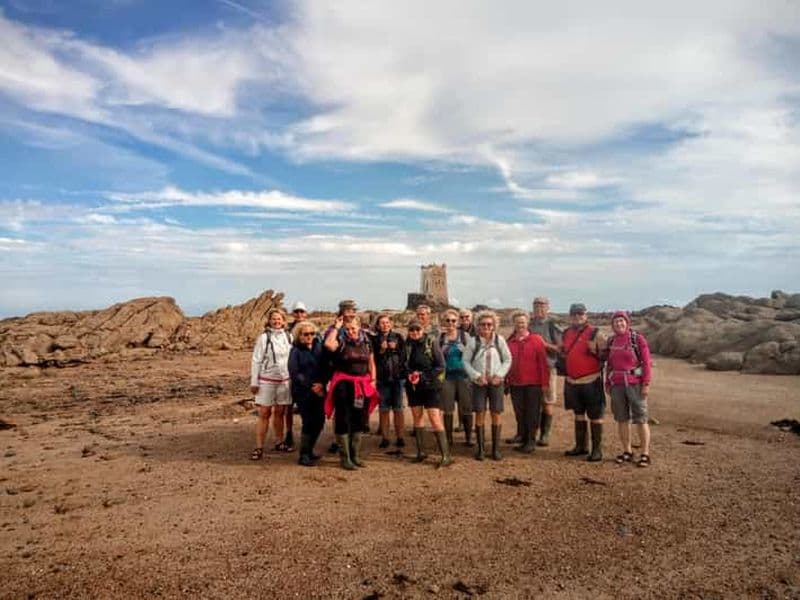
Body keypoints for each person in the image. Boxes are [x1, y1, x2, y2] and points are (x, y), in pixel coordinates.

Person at [324, 316, 379, 470]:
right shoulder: (341, 340)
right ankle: (345, 458)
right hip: (343, 385)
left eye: (353, 328)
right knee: (342, 419)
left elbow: (371, 363)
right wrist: (336, 327)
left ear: (359, 327)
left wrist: (373, 380)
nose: (350, 331)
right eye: (347, 329)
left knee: (359, 418)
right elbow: (328, 344)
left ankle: (355, 456)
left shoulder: (366, 342)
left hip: (361, 385)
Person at [605, 310, 653, 467]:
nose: (619, 324)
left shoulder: (637, 339)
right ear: (612, 325)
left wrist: (646, 384)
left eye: (621, 321)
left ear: (627, 322)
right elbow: (609, 365)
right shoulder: (611, 341)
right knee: (622, 419)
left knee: (641, 418)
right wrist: (607, 383)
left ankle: (645, 453)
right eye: (616, 321)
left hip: (635, 384)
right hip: (617, 385)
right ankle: (627, 451)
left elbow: (646, 363)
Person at [560, 303, 607, 462]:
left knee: (595, 415)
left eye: (580, 314)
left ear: (586, 315)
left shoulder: (595, 333)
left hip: (591, 380)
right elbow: (562, 351)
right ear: (570, 316)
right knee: (578, 414)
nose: (577, 317)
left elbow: (606, 355)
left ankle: (597, 450)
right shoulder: (566, 333)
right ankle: (581, 447)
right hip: (572, 381)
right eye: (574, 314)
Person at [463, 311, 512, 461]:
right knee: (480, 413)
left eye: (489, 324)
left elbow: (507, 359)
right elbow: (465, 361)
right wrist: (476, 376)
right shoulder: (473, 341)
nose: (486, 327)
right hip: (479, 383)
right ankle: (481, 449)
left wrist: (500, 375)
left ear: (494, 325)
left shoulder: (499, 340)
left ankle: (495, 450)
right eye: (483, 324)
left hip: (496, 382)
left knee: (496, 413)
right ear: (478, 326)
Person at [404, 319, 451, 467]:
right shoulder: (407, 345)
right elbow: (403, 365)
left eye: (417, 329)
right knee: (417, 417)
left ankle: (445, 456)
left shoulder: (431, 343)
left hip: (431, 386)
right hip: (413, 387)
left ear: (422, 329)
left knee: (434, 417)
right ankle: (421, 452)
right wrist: (410, 375)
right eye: (412, 329)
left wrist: (423, 376)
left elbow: (441, 366)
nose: (415, 332)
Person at [249, 308, 293, 460]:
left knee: (280, 412)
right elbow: (256, 360)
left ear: (284, 321)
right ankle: (259, 447)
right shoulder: (263, 338)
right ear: (269, 321)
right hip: (267, 380)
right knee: (264, 413)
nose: (276, 321)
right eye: (274, 319)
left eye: (279, 319)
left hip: (284, 381)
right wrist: (254, 382)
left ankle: (279, 442)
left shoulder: (289, 336)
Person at [505, 312, 550, 453]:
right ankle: (523, 438)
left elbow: (543, 363)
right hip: (515, 383)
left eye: (523, 322)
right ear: (514, 324)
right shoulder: (510, 342)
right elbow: (507, 363)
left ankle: (531, 441)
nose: (520, 325)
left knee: (532, 413)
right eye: (517, 322)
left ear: (527, 323)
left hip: (533, 383)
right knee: (520, 412)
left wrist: (545, 383)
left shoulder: (536, 339)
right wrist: (506, 381)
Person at [288, 320, 327, 466]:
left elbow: (326, 367)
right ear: (299, 335)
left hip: (320, 389)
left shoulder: (319, 348)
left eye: (312, 333)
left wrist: (322, 384)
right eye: (306, 334)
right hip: (303, 391)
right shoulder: (296, 351)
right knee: (308, 421)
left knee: (320, 421)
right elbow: (294, 372)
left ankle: (310, 450)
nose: (309, 336)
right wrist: (311, 386)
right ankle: (304, 455)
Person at [528, 297, 562, 446]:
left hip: (548, 368)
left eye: (542, 306)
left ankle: (544, 434)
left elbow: (560, 349)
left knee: (547, 401)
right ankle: (527, 434)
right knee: (531, 403)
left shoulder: (552, 326)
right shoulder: (528, 324)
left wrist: (544, 344)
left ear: (548, 308)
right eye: (536, 305)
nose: (539, 308)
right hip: (530, 369)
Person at [439, 308, 474, 447]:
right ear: (443, 322)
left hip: (464, 376)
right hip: (447, 377)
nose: (450, 323)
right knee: (447, 409)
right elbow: (436, 358)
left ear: (457, 321)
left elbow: (474, 356)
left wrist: (465, 351)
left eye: (453, 320)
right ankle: (449, 439)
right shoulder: (440, 338)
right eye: (447, 320)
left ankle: (468, 438)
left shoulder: (465, 337)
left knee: (466, 408)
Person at [373, 314, 406, 449]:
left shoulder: (398, 337)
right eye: (382, 323)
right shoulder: (374, 339)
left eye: (387, 322)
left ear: (391, 324)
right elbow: (372, 359)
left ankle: (400, 437)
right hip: (382, 379)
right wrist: (381, 350)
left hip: (397, 378)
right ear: (378, 325)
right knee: (384, 409)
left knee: (398, 409)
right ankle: (385, 438)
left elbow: (404, 356)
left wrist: (395, 348)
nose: (385, 325)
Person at [283, 300, 310, 452]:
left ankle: (307, 438)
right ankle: (289, 433)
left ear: (306, 313)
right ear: (293, 313)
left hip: (306, 372)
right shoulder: (287, 330)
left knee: (306, 406)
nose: (299, 314)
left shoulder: (311, 329)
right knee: (288, 405)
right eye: (297, 311)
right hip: (290, 372)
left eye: (302, 311)